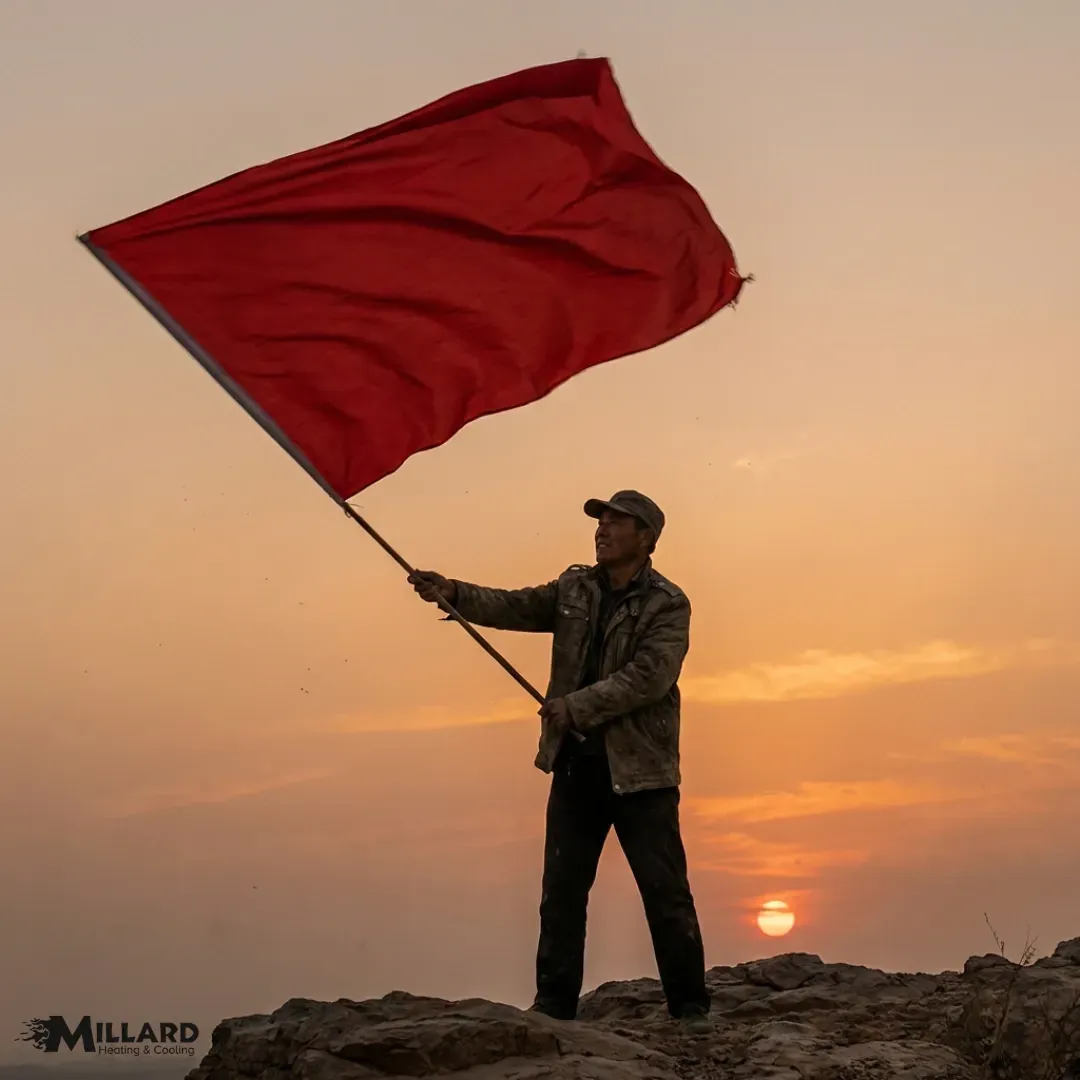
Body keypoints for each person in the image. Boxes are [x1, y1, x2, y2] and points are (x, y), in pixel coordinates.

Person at [408, 490, 712, 1034]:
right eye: (601, 521)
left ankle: (690, 1011)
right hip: (576, 765)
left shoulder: (669, 603)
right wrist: (454, 592)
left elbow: (650, 677)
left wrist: (575, 705)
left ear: (646, 538)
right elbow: (516, 606)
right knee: (562, 893)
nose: (603, 530)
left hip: (641, 774)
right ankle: (554, 1009)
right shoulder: (575, 587)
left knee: (665, 893)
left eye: (617, 522)